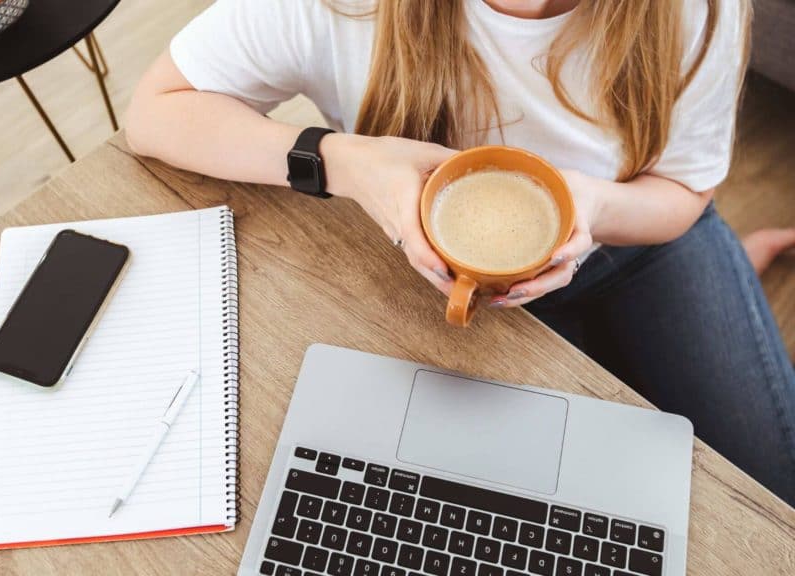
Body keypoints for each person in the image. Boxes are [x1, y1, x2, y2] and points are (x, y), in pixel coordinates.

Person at [125, 0, 795, 504]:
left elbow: (683, 190)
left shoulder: (693, 11)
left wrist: (596, 209)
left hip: (636, 238)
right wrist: (342, 160)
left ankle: (734, 262)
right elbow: (154, 113)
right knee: (530, 500)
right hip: (445, 276)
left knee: (768, 486)